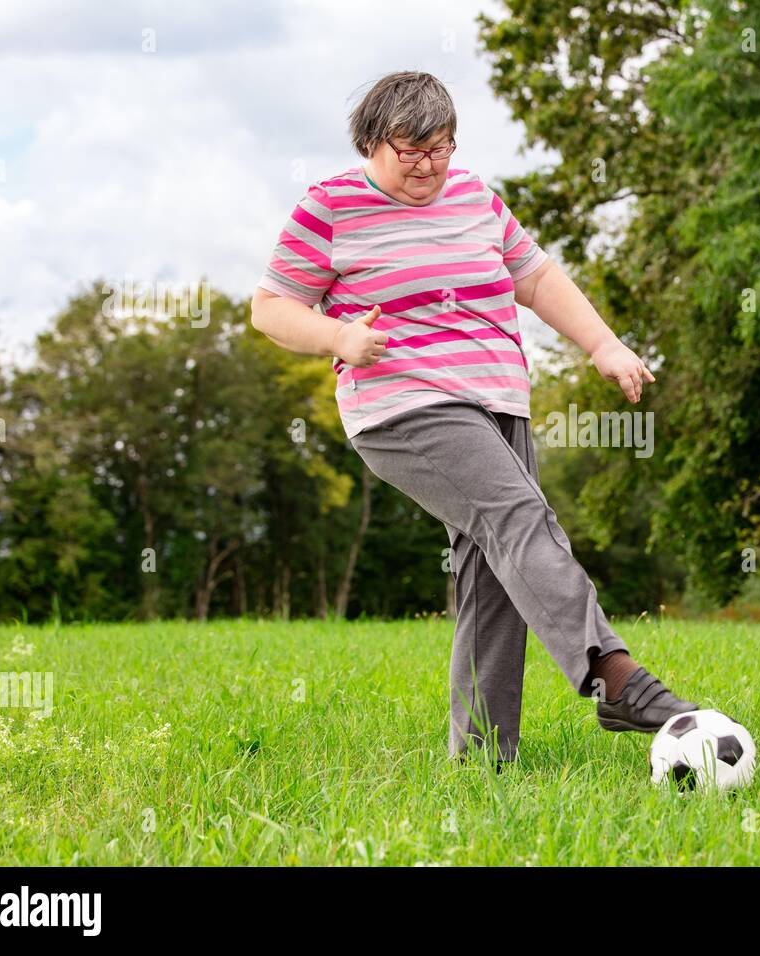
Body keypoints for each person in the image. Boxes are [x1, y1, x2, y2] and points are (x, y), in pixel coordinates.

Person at [249, 71, 696, 767]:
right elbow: (271, 307)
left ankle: (484, 761)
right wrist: (338, 338)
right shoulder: (331, 206)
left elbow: (538, 278)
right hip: (406, 402)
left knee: (493, 568)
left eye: (441, 148)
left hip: (499, 399)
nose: (428, 165)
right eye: (410, 150)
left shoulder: (475, 197)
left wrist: (604, 344)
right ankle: (617, 678)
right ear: (372, 142)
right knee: (520, 519)